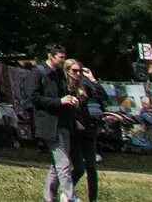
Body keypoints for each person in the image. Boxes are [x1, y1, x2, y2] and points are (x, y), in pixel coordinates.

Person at [32, 45, 82, 202]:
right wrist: (59, 101)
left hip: (63, 124)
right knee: (64, 164)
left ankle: (49, 197)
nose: (63, 60)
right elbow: (33, 98)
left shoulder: (59, 75)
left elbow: (63, 96)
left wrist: (70, 100)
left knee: (57, 165)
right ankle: (70, 197)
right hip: (48, 124)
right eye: (61, 57)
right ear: (50, 56)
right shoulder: (38, 73)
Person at [68, 62, 106, 201]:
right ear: (67, 70)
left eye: (80, 71)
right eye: (75, 70)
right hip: (74, 133)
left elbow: (103, 96)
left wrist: (92, 79)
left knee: (91, 168)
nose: (78, 74)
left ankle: (93, 199)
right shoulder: (63, 87)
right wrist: (74, 122)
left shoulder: (84, 87)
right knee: (79, 168)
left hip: (89, 131)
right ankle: (67, 193)